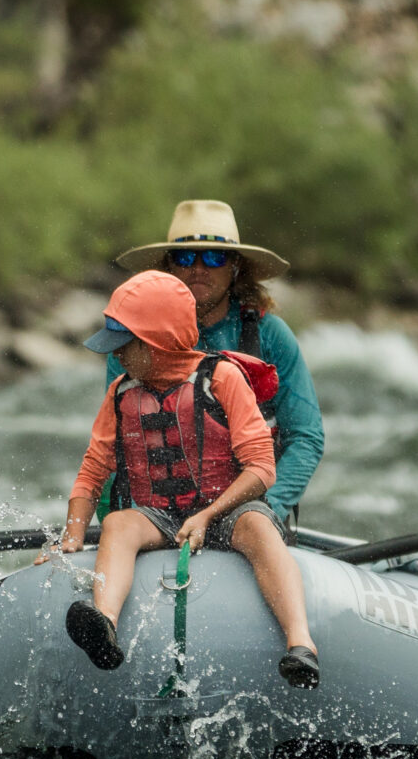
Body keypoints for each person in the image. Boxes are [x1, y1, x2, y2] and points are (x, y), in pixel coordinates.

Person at [60, 270, 319, 688]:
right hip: (159, 515)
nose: (118, 357)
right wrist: (72, 536)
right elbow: (93, 469)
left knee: (259, 527)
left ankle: (301, 644)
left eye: (125, 346)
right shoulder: (121, 393)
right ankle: (104, 623)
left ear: (156, 345)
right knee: (117, 523)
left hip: (228, 509)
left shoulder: (223, 379)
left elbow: (261, 467)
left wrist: (207, 516)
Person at [109, 200, 324, 526]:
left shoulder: (271, 335)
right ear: (170, 267)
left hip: (249, 515)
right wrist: (114, 521)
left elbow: (306, 437)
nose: (198, 268)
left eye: (214, 257)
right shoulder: (132, 341)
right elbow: (112, 447)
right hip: (155, 519)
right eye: (184, 257)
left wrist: (268, 510)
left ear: (235, 266)